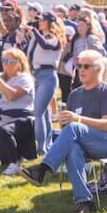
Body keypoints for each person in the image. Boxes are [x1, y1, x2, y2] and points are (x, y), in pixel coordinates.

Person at [21, 50, 107, 213]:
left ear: (97, 69)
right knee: (73, 148)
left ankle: (42, 169)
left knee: (75, 127)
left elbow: (106, 125)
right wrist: (65, 122)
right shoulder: (75, 94)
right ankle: (85, 203)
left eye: (86, 66)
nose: (81, 70)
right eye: (78, 66)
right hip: (83, 143)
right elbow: (68, 130)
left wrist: (78, 119)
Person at [0, 48, 37, 176]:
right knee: (0, 137)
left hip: (21, 120)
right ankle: (13, 160)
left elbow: (11, 95)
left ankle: (15, 163)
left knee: (3, 132)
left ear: (19, 63)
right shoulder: (2, 77)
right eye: (3, 60)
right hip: (1, 119)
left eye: (9, 61)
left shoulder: (24, 78)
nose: (5, 64)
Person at [28, 12, 66, 154]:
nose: (39, 22)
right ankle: (46, 145)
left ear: (50, 22)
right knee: (44, 113)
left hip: (48, 75)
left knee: (38, 112)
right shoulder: (40, 36)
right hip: (38, 75)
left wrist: (34, 31)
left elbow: (45, 45)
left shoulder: (53, 37)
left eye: (42, 20)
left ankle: (40, 148)